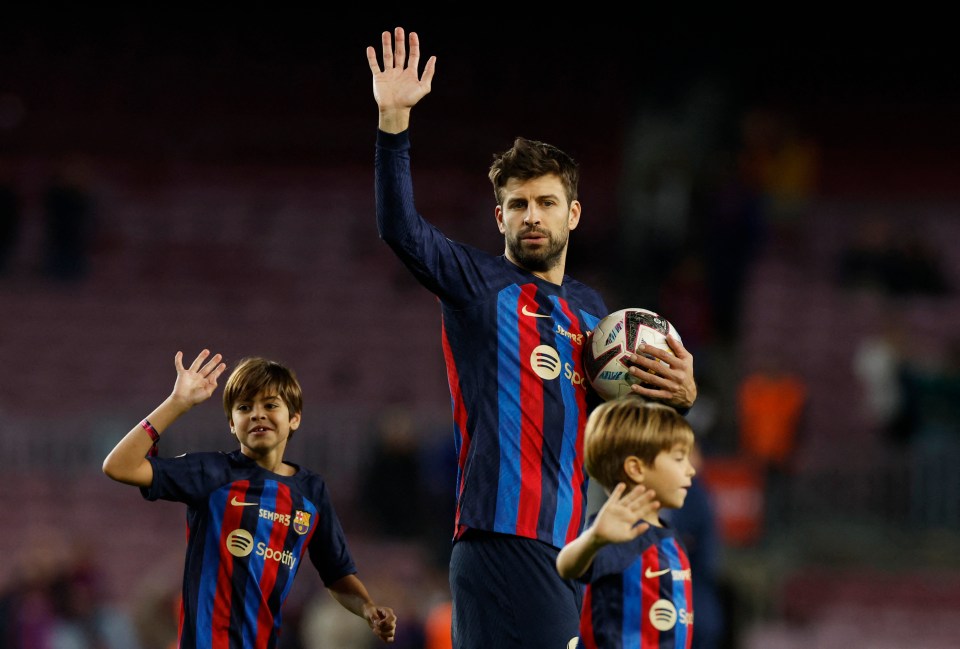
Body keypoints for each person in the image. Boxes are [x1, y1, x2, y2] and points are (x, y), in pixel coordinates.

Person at [367, 27, 698, 648]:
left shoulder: (595, 314)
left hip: (568, 544)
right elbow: (400, 229)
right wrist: (393, 123)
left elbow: (615, 427)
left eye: (546, 202)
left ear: (573, 213)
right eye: (517, 205)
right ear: (500, 217)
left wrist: (676, 397)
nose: (532, 216)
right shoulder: (477, 282)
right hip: (503, 538)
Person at [101, 349, 397, 648]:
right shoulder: (212, 473)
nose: (257, 413)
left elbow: (337, 574)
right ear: (232, 423)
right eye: (244, 407)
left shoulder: (311, 492)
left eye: (270, 404)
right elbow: (118, 465)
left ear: (294, 418)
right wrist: (176, 404)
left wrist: (368, 608)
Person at [556, 397, 696, 648]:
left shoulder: (670, 539)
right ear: (636, 468)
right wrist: (594, 539)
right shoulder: (617, 534)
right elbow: (567, 567)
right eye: (678, 458)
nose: (690, 470)